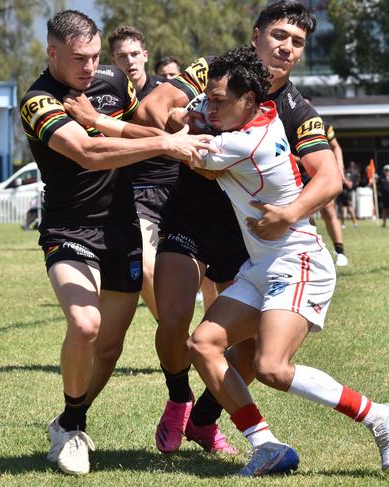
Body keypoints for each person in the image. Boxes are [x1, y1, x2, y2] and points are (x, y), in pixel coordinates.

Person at [185, 46, 389, 477]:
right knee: (203, 344)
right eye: (208, 98)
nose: (209, 107)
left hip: (299, 261)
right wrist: (195, 114)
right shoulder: (254, 112)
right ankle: (266, 445)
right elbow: (200, 141)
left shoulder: (246, 142)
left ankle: (381, 415)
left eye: (217, 102)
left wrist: (101, 125)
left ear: (247, 101)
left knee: (270, 366)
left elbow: (189, 154)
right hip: (263, 264)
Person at [134, 0, 342, 455]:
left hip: (248, 236)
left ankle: (206, 420)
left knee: (245, 346)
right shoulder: (216, 71)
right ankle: (177, 400)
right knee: (173, 317)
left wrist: (289, 213)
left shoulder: (297, 108)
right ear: (256, 35)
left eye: (297, 43)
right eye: (278, 36)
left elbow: (328, 176)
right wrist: (179, 122)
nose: (286, 48)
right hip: (188, 215)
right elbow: (154, 107)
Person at [20, 10, 212, 476]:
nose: (90, 67)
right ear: (52, 53)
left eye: (94, 56)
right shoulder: (38, 101)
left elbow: (126, 131)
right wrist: (166, 145)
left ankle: (69, 422)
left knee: (109, 347)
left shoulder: (110, 80)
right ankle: (72, 430)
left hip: (122, 228)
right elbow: (88, 153)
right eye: (78, 59)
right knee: (85, 326)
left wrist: (175, 136)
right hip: (70, 229)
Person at [108, 25, 178, 321]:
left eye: (135, 54)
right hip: (136, 195)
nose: (130, 61)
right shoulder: (104, 96)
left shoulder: (166, 92)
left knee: (211, 274)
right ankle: (173, 335)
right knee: (147, 268)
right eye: (122, 56)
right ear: (112, 60)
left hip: (179, 190)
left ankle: (216, 344)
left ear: (146, 56)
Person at [303, 98, 349, 266]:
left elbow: (336, 146)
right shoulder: (285, 125)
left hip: (318, 174)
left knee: (329, 212)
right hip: (297, 176)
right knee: (303, 216)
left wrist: (339, 167)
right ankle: (315, 250)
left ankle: (340, 252)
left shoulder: (321, 125)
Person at [338, 161, 359, 228]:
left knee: (350, 209)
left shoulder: (353, 174)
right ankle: (343, 224)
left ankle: (355, 223)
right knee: (342, 210)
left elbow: (350, 185)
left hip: (347, 194)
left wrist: (345, 181)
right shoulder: (344, 172)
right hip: (341, 193)